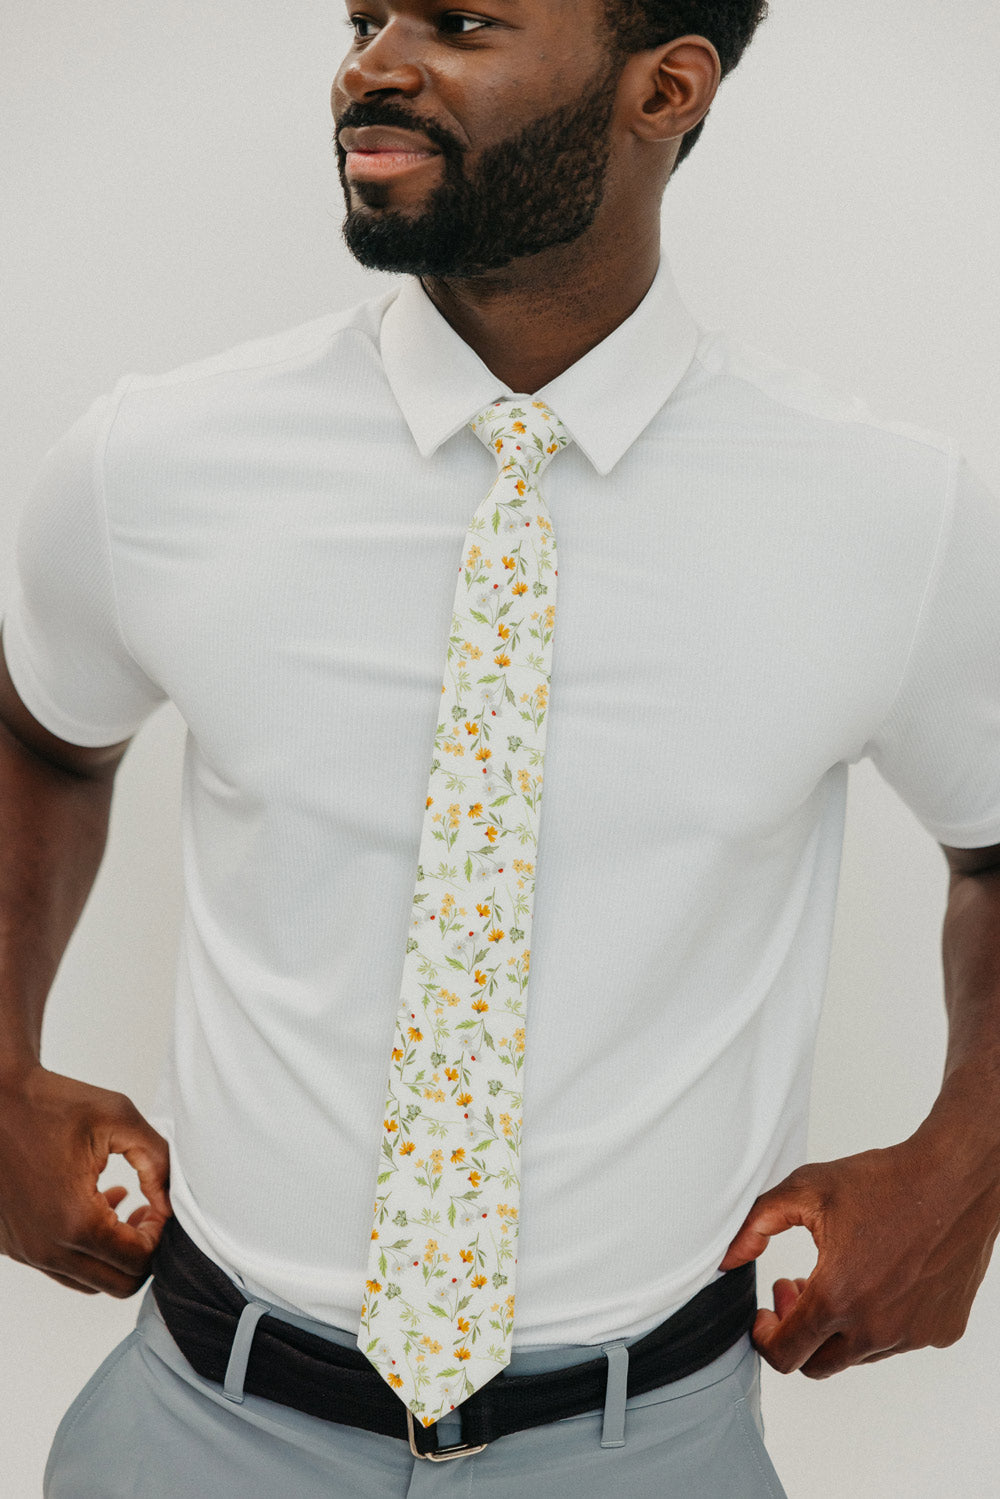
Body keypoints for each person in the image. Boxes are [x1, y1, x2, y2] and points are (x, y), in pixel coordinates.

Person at [2, 0, 999, 1493]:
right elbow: (40, 734)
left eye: (460, 21)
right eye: (365, 17)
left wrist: (967, 1164)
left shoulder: (893, 518)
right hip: (198, 1428)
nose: (371, 66)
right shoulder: (156, 462)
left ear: (666, 88)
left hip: (648, 1448)